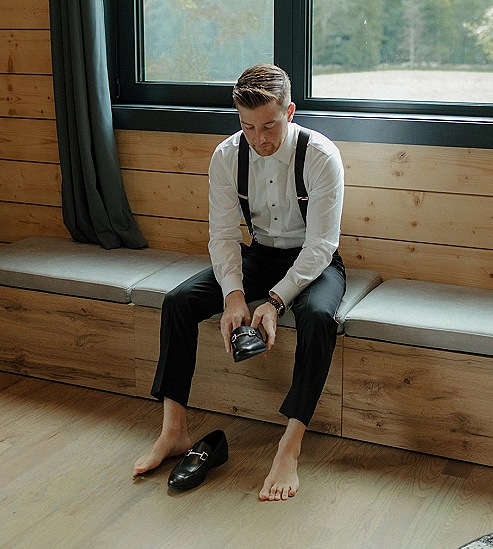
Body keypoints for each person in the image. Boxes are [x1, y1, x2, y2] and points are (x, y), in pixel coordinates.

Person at [133, 63, 345, 500]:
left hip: (314, 263)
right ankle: (174, 430)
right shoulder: (227, 156)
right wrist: (233, 296)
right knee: (179, 302)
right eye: (248, 126)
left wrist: (275, 302)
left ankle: (290, 446)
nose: (259, 138)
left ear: (289, 111)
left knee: (319, 319)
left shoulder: (321, 156)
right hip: (258, 256)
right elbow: (224, 235)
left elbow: (322, 246)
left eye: (269, 125)